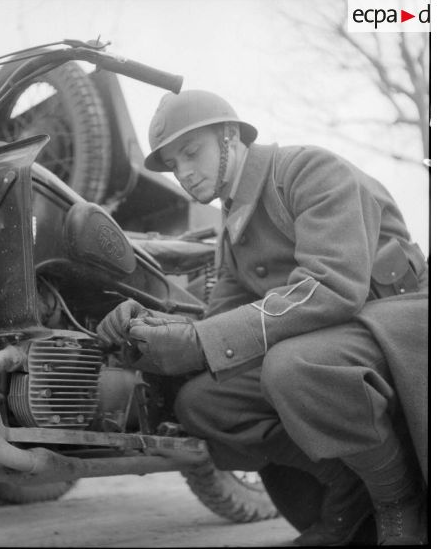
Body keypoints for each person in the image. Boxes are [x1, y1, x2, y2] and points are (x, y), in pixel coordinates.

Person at [96, 90, 428, 546]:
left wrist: (196, 340)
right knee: (204, 403)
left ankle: (398, 499)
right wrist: (148, 327)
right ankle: (349, 485)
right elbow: (222, 324)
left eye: (192, 152)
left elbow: (333, 287)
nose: (185, 172)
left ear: (230, 136)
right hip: (331, 337)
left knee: (292, 367)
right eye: (174, 164)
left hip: (393, 324)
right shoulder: (232, 226)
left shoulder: (308, 171)